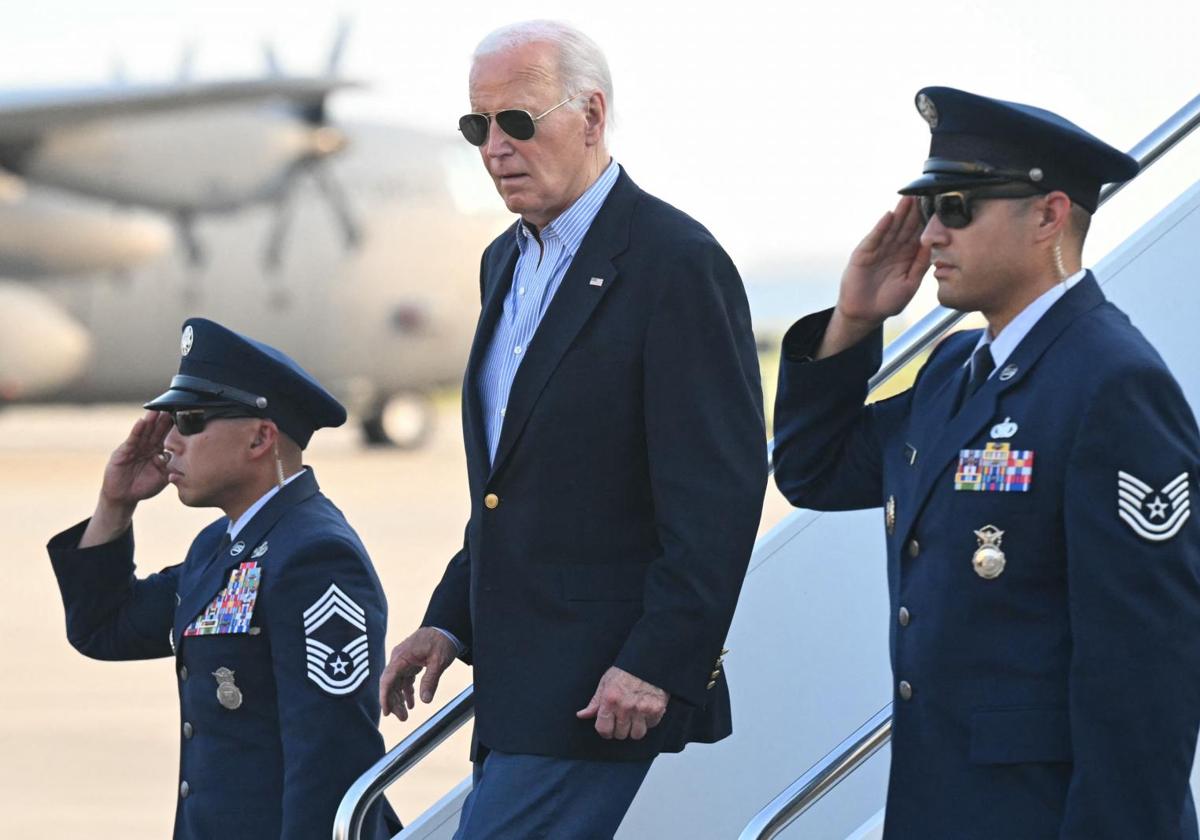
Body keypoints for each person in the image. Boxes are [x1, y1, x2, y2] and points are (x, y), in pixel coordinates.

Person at [772, 86, 1200, 838]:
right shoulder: (955, 368)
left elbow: (1144, 679)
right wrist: (853, 319)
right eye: (929, 207)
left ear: (1048, 215)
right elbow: (815, 469)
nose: (932, 233)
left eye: (959, 207)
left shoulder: (1112, 383)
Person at [377, 19, 767, 839]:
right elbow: (515, 486)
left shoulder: (674, 263)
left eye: (517, 121)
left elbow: (718, 495)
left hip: (602, 691)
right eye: (475, 126)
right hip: (519, 693)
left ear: (591, 116)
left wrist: (658, 661)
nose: (494, 148)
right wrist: (449, 620)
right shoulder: (503, 263)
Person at [46, 318, 400, 840]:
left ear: (260, 437)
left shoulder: (315, 556)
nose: (167, 442)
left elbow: (331, 760)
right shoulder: (218, 545)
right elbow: (104, 627)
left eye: (189, 421)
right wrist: (114, 503)